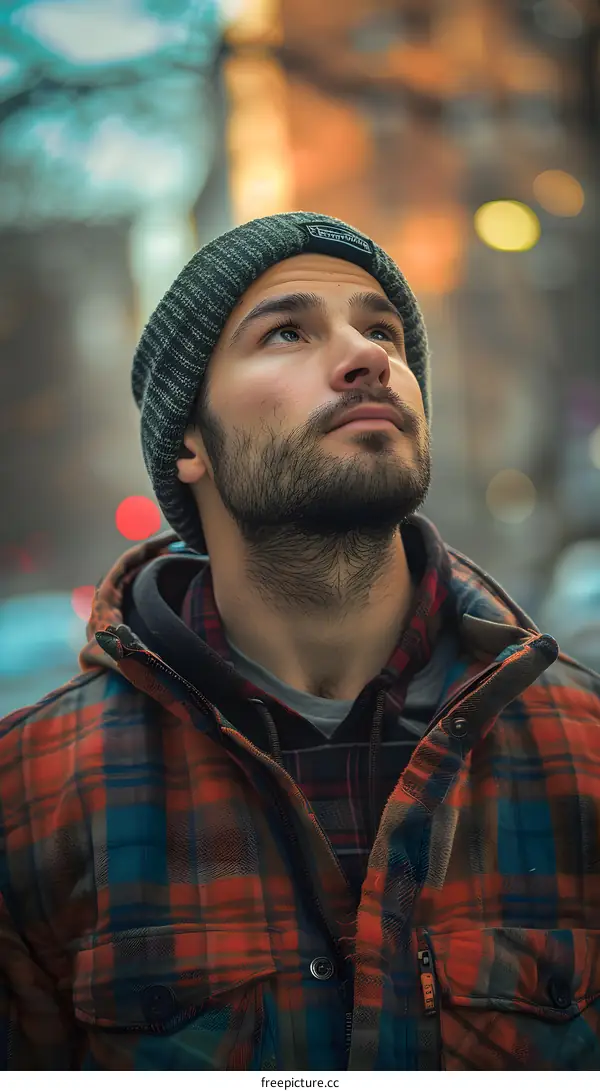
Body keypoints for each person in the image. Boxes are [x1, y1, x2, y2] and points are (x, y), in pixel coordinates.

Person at [1, 211, 599, 1072]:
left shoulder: (583, 748)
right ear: (190, 446)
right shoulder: (34, 795)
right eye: (286, 331)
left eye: (382, 329)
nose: (369, 356)